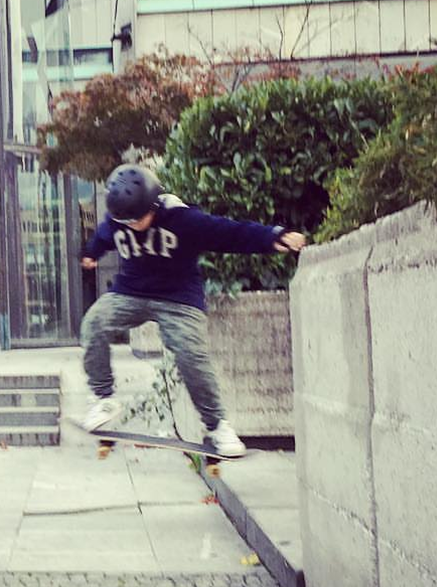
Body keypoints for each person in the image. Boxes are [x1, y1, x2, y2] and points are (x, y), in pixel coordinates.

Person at [79, 163, 307, 458]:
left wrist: (273, 237)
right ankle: (104, 399)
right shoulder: (118, 218)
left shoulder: (182, 219)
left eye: (139, 220)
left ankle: (217, 425)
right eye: (127, 222)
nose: (133, 226)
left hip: (179, 298)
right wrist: (90, 253)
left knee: (191, 355)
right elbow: (102, 236)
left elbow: (229, 232)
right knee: (94, 322)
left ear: (153, 205)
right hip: (131, 292)